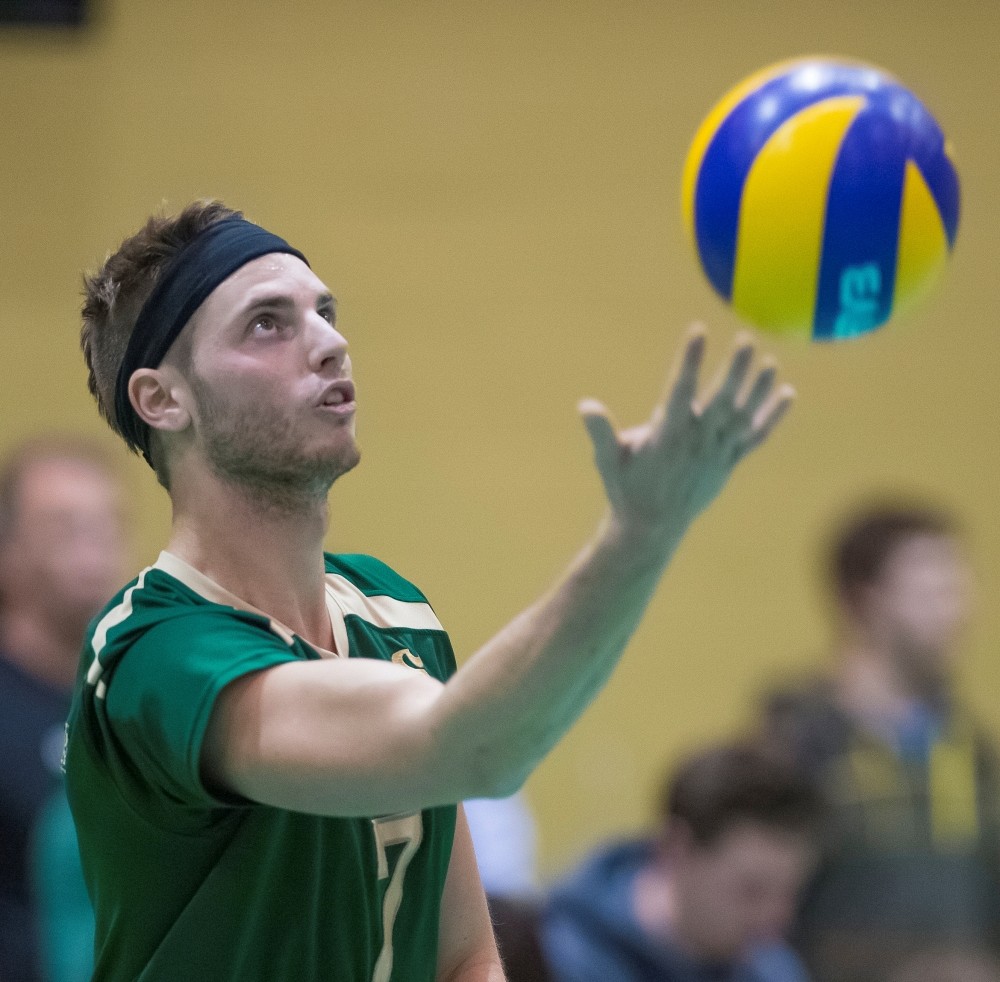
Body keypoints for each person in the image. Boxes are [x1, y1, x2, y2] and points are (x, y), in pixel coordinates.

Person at [66, 200, 794, 982]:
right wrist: (639, 537)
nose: (330, 342)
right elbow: (471, 748)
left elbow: (465, 955)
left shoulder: (393, 611)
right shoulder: (152, 650)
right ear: (162, 399)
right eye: (267, 324)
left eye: (325, 312)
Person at [760, 503, 1000, 982]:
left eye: (957, 591)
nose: (956, 613)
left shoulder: (972, 752)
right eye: (931, 593)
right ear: (863, 601)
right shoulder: (795, 748)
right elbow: (759, 920)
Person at [0, 439, 128, 982]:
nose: (93, 555)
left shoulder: (138, 702)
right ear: (8, 550)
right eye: (66, 531)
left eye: (107, 529)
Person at [540, 741, 822, 982]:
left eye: (790, 893)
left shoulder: (771, 968)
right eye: (752, 891)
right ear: (678, 850)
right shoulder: (549, 956)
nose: (776, 920)